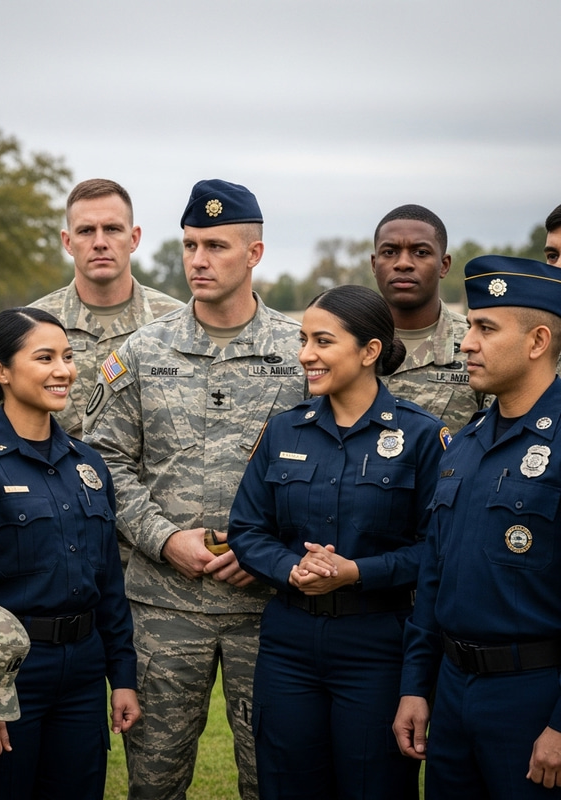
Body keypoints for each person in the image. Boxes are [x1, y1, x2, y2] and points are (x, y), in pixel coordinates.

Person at [84, 179, 305, 800]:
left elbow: (326, 472)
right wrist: (164, 539)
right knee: (154, 784)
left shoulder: (299, 354)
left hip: (267, 609)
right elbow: (104, 463)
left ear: (254, 254)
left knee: (274, 779)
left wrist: (266, 550)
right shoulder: (143, 350)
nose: (199, 261)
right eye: (189, 245)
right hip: (163, 608)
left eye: (216, 246)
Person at [228, 284, 447, 800]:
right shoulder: (285, 430)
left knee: (374, 785)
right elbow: (247, 528)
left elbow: (436, 551)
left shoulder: (421, 437)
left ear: (370, 350)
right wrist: (289, 569)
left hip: (376, 643)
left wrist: (358, 572)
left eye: (322, 341)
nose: (306, 354)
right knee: (287, 784)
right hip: (289, 644)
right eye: (304, 340)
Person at [0, 307, 139, 800]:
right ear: (0, 370)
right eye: (45, 357)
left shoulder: (88, 463)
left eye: (69, 357)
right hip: (10, 673)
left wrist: (121, 676)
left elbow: (109, 580)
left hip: (82, 669)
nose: (64, 370)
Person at [393, 255, 561, 798]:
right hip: (453, 687)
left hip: (534, 696)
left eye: (485, 328)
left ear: (537, 341)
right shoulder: (464, 443)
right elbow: (433, 576)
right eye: (468, 326)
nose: (466, 342)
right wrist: (417, 686)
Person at [30, 178, 183, 439]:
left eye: (112, 229)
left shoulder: (178, 323)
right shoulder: (31, 326)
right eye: (86, 231)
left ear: (133, 238)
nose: (100, 242)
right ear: (67, 242)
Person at [371, 204, 486, 433]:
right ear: (374, 264)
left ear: (444, 265)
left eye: (421, 252)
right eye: (389, 252)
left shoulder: (479, 343)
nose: (403, 263)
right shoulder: (345, 340)